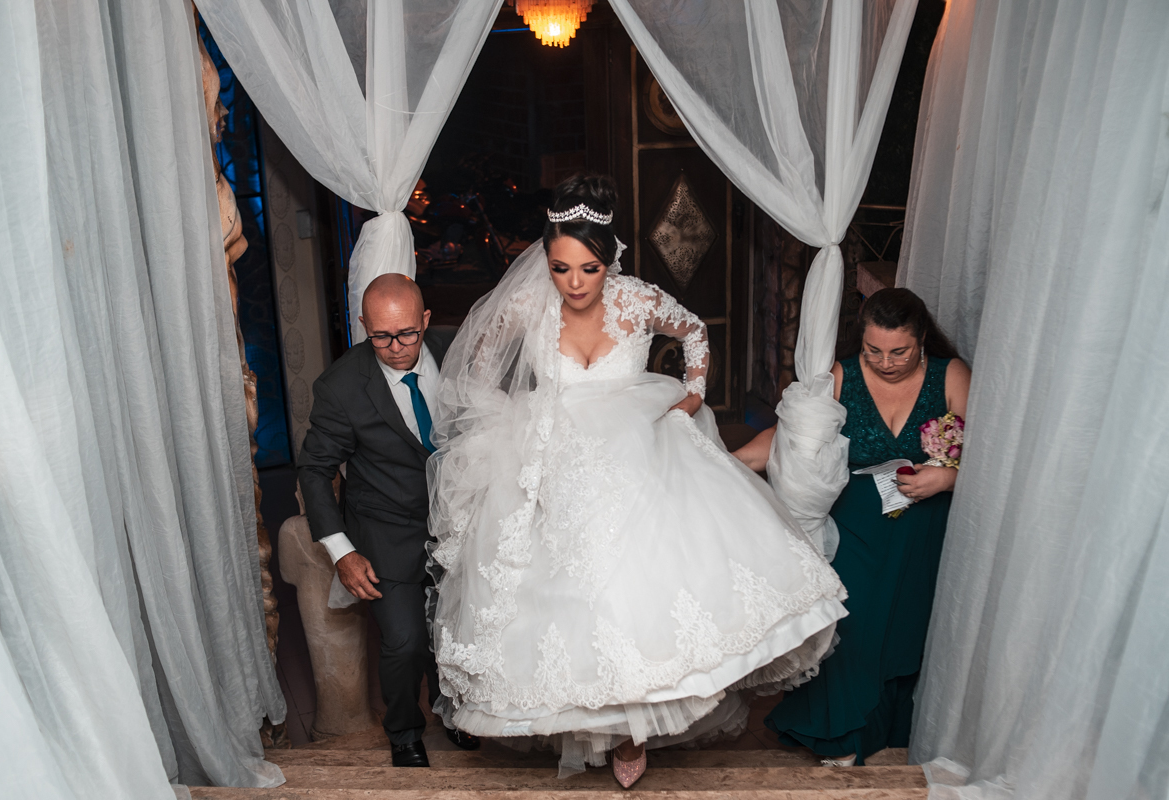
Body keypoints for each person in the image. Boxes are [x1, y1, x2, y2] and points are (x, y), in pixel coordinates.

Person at [426, 175, 848, 787]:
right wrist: (509, 418)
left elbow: (695, 331)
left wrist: (694, 394)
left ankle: (632, 734)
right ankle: (591, 719)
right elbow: (478, 367)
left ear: (610, 259)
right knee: (561, 593)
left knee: (638, 582)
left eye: (589, 269)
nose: (574, 283)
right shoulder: (525, 306)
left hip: (637, 449)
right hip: (554, 455)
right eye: (560, 268)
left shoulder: (639, 300)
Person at [733, 288, 971, 766]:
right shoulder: (841, 375)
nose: (885, 362)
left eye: (899, 351)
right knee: (852, 622)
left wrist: (948, 477)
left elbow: (994, 451)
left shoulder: (952, 375)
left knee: (908, 627)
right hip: (855, 522)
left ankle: (895, 732)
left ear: (922, 339)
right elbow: (789, 438)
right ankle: (841, 733)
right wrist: (724, 462)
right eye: (873, 350)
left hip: (924, 527)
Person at [296, 274, 479, 767]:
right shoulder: (340, 387)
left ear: (425, 321)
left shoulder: (456, 348)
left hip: (459, 524)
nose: (396, 347)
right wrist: (342, 552)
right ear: (363, 326)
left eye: (406, 334)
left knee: (455, 630)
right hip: (385, 531)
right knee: (404, 641)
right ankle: (403, 731)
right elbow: (314, 469)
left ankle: (455, 713)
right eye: (381, 336)